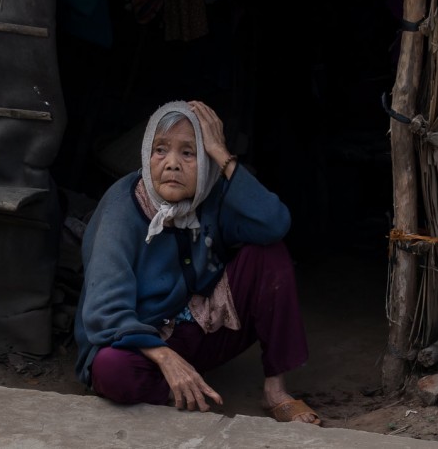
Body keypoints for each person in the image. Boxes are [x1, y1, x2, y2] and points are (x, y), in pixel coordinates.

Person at [73, 100, 320, 424]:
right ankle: (173, 387)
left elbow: (274, 223)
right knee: (111, 368)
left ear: (206, 163)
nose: (172, 164)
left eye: (188, 153)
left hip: (201, 325)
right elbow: (104, 312)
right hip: (145, 340)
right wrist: (163, 356)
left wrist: (223, 155)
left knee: (268, 253)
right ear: (147, 155)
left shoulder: (210, 196)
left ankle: (275, 390)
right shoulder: (123, 207)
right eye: (160, 150)